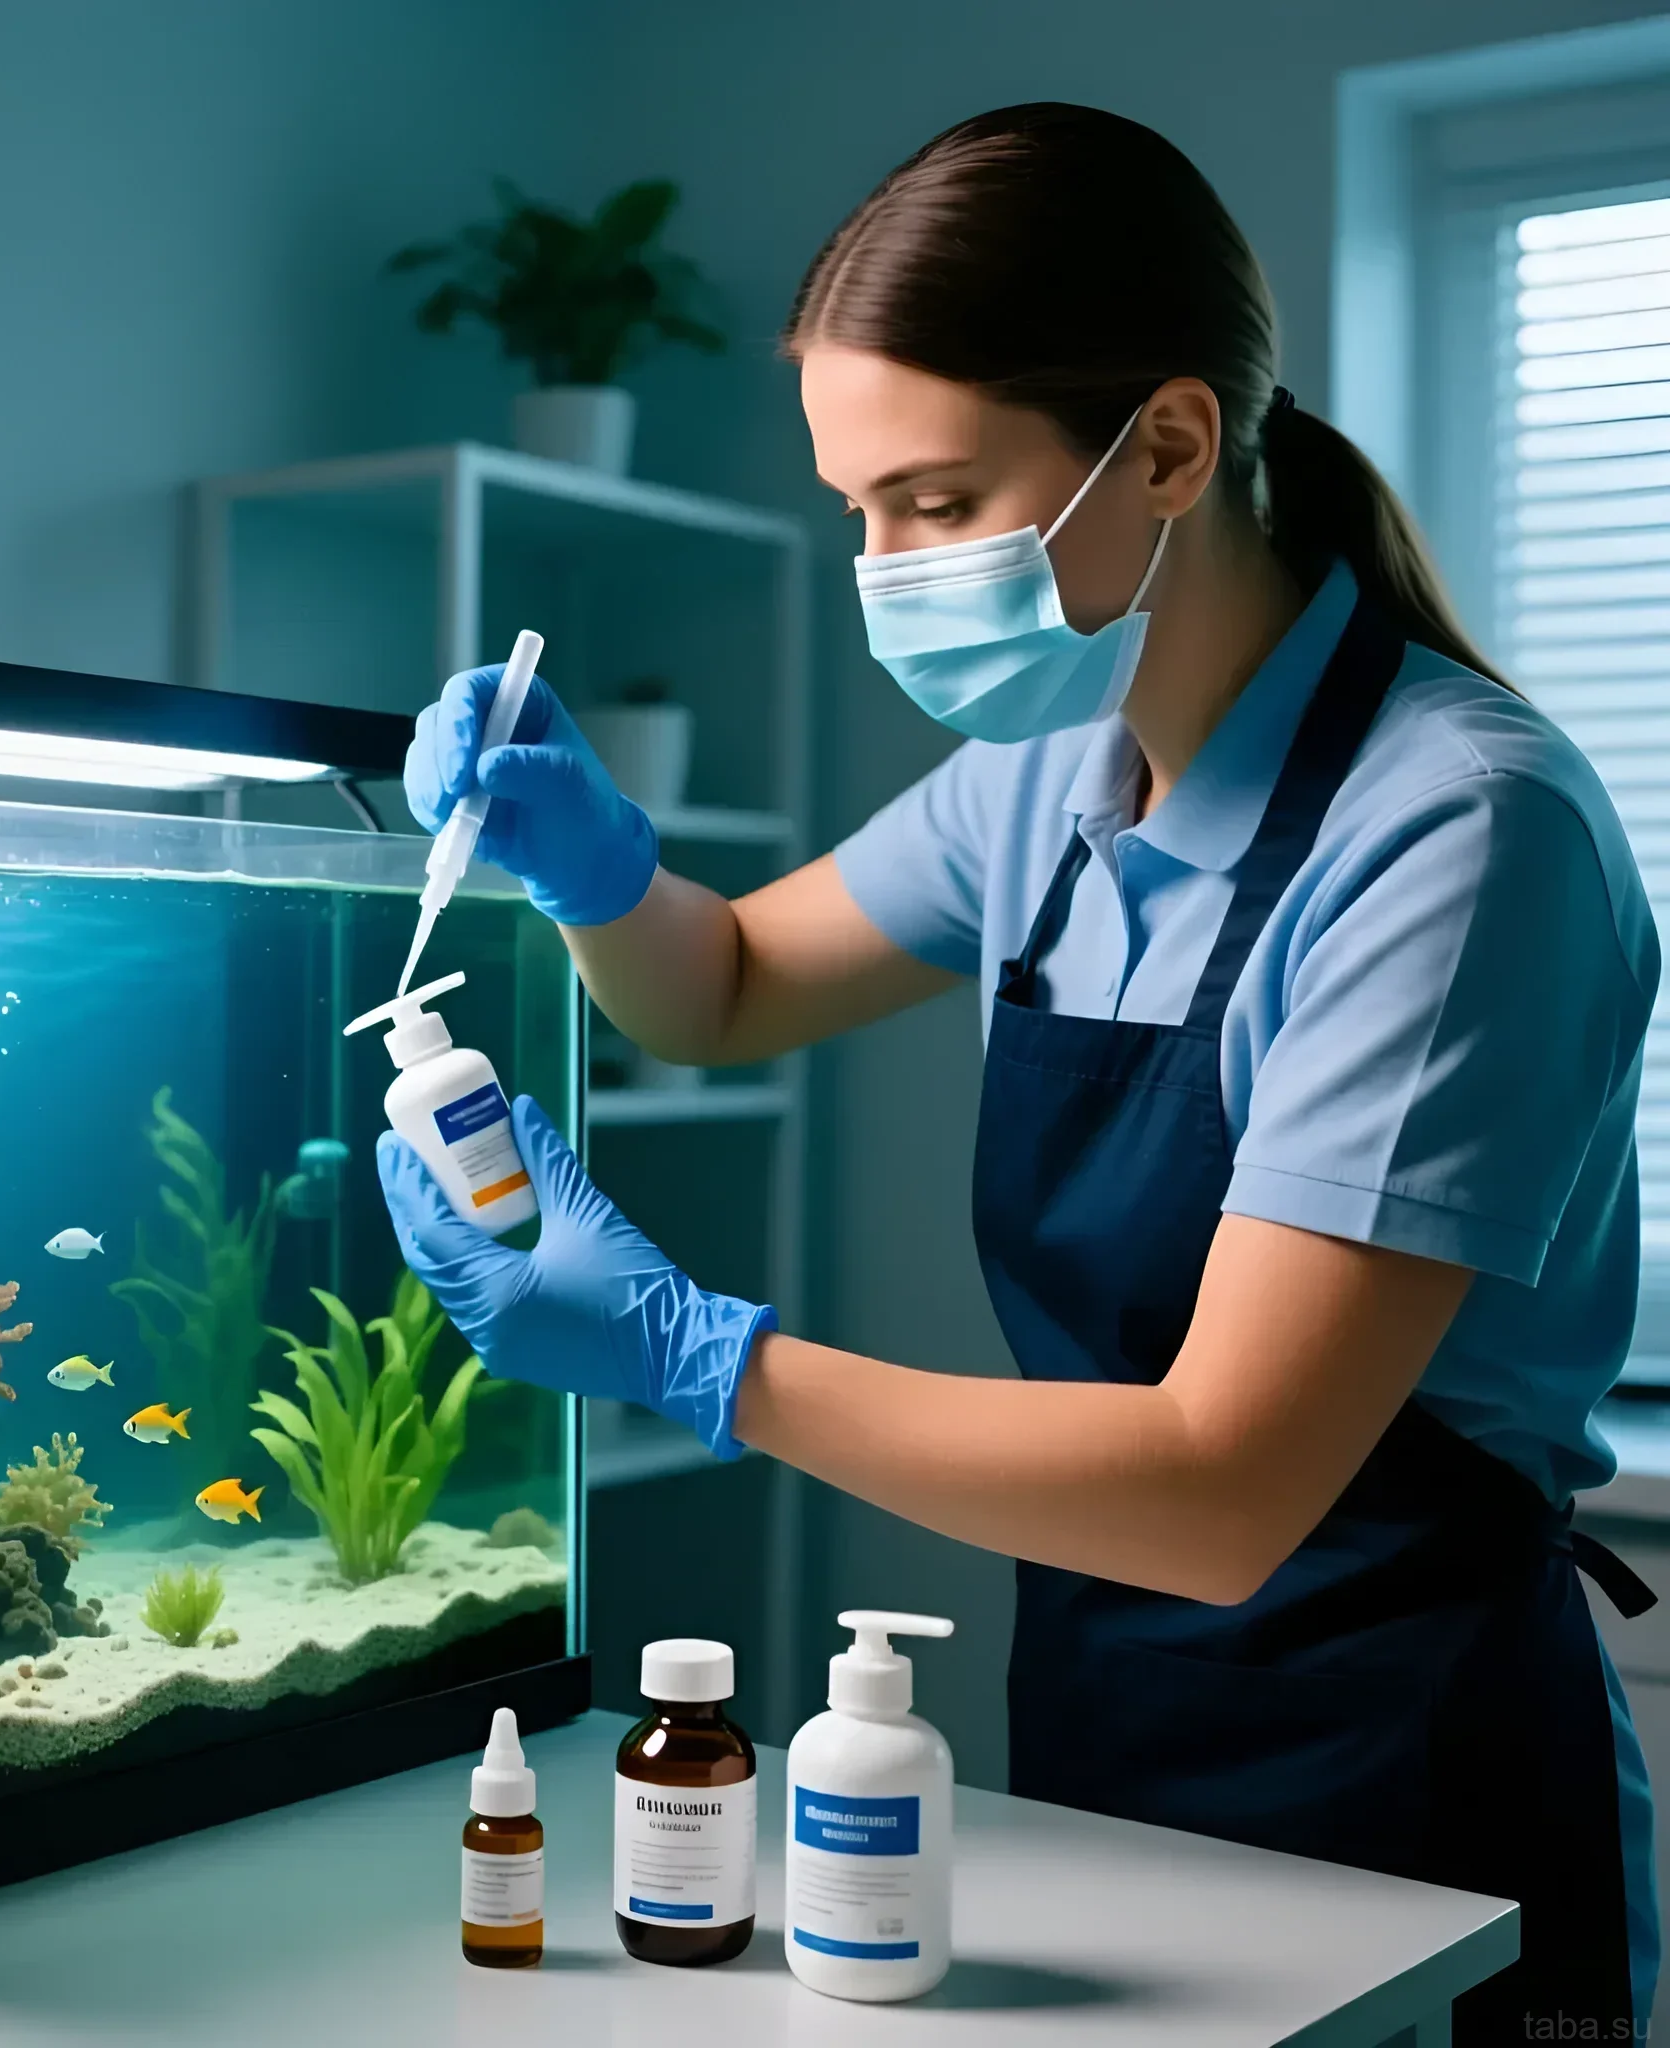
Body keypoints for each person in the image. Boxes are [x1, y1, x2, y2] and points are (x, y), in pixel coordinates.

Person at [377, 103, 1660, 2041]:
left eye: (936, 499)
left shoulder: (1456, 832)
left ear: (1164, 444)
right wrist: (595, 866)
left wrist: (694, 1354)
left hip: (1410, 1767)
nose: (880, 566)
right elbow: (721, 988)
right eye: (855, 508)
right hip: (1105, 1709)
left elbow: (1226, 1483)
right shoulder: (1046, 777)